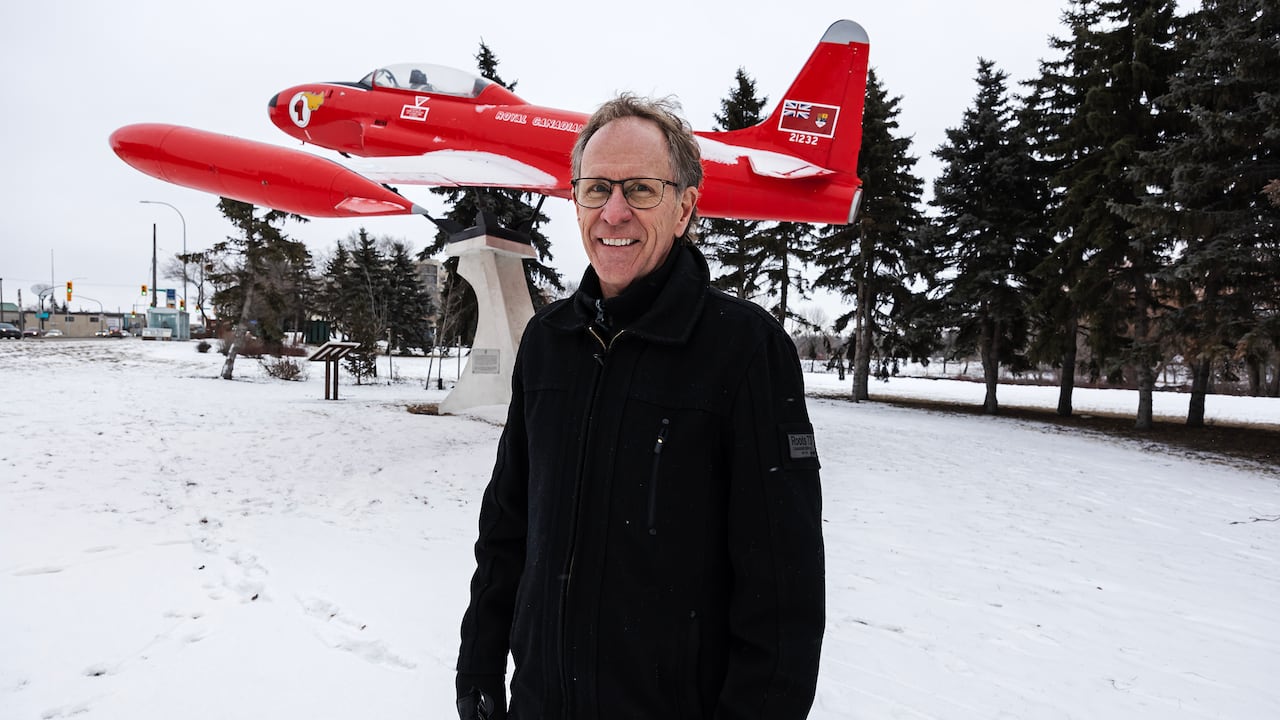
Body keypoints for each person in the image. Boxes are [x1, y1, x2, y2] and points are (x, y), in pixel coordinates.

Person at [456, 94, 825, 720]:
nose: (614, 212)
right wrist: (480, 663)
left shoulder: (742, 349)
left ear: (684, 208)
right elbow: (508, 531)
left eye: (641, 190)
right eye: (596, 189)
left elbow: (783, 590)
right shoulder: (548, 344)